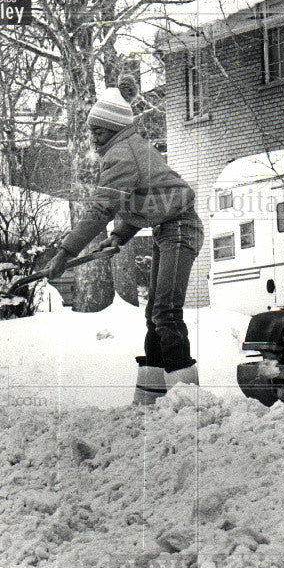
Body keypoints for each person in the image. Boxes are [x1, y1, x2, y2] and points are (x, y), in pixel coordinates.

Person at [42, 82, 204, 403]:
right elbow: (146, 198)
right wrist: (118, 235)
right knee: (154, 313)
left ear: (113, 129)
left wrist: (65, 252)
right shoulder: (130, 148)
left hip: (180, 227)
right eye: (91, 132)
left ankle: (189, 401)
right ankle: (153, 395)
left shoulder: (122, 154)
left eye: (98, 132)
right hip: (167, 226)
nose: (93, 139)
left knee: (166, 312)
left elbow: (102, 208)